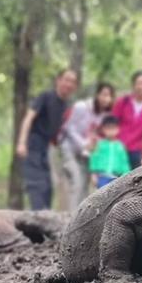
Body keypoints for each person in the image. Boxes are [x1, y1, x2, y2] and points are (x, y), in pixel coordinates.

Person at [16, 69, 78, 210]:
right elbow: (28, 117)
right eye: (66, 79)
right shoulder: (45, 97)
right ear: (59, 80)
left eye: (73, 82)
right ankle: (36, 222)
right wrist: (21, 143)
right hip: (33, 146)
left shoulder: (66, 106)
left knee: (48, 188)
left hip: (48, 149)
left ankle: (44, 223)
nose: (69, 84)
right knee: (36, 186)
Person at [59, 82, 115, 210]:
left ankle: (80, 217)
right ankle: (71, 218)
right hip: (70, 149)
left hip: (86, 154)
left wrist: (96, 144)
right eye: (104, 94)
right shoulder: (81, 107)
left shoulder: (105, 115)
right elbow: (69, 128)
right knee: (77, 182)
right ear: (97, 94)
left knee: (85, 186)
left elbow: (99, 134)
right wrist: (84, 144)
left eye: (110, 96)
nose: (107, 99)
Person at [112, 71, 142, 169]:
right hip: (118, 148)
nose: (141, 87)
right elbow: (112, 123)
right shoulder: (123, 102)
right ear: (133, 85)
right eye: (138, 83)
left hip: (136, 152)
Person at [89, 116, 131, 188]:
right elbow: (94, 158)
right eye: (108, 128)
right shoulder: (100, 144)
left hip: (116, 177)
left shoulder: (120, 146)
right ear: (103, 129)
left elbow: (124, 162)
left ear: (118, 129)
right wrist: (93, 174)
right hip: (102, 176)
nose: (111, 131)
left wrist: (126, 175)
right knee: (102, 196)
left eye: (113, 128)